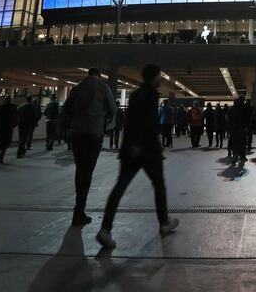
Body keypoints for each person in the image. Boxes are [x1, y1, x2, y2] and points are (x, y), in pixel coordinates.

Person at [95, 63, 179, 249]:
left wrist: (131, 144)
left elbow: (131, 121)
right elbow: (148, 122)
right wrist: (145, 145)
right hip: (146, 150)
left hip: (130, 149)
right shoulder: (151, 94)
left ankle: (105, 229)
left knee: (119, 188)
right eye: (160, 75)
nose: (161, 79)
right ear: (154, 77)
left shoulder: (135, 94)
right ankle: (164, 223)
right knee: (159, 186)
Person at [68, 67, 117, 226]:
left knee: (80, 169)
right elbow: (113, 109)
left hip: (76, 132)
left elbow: (67, 109)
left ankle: (78, 207)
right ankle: (79, 210)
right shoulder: (103, 87)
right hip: (93, 133)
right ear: (99, 75)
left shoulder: (77, 88)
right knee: (88, 171)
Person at [0, 95, 16, 163]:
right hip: (9, 128)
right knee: (7, 143)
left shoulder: (0, 107)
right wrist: (14, 125)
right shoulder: (13, 107)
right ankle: (2, 154)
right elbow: (16, 117)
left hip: (0, 128)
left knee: (0, 142)